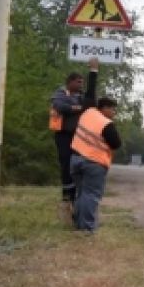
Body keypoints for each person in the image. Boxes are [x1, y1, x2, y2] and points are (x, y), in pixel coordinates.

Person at [49, 58, 99, 221]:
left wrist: (77, 107)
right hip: (63, 135)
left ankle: (76, 197)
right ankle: (67, 195)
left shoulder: (80, 95)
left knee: (76, 164)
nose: (80, 85)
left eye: (82, 82)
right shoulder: (60, 93)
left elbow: (90, 104)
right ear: (70, 82)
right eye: (78, 82)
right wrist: (76, 107)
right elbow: (59, 106)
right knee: (65, 163)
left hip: (78, 136)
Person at [69, 96, 121, 234]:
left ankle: (79, 224)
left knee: (81, 193)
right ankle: (86, 228)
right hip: (94, 163)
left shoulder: (87, 113)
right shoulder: (106, 124)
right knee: (90, 195)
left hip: (75, 159)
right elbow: (116, 143)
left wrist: (93, 73)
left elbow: (90, 92)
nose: (113, 112)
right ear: (104, 108)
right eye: (112, 109)